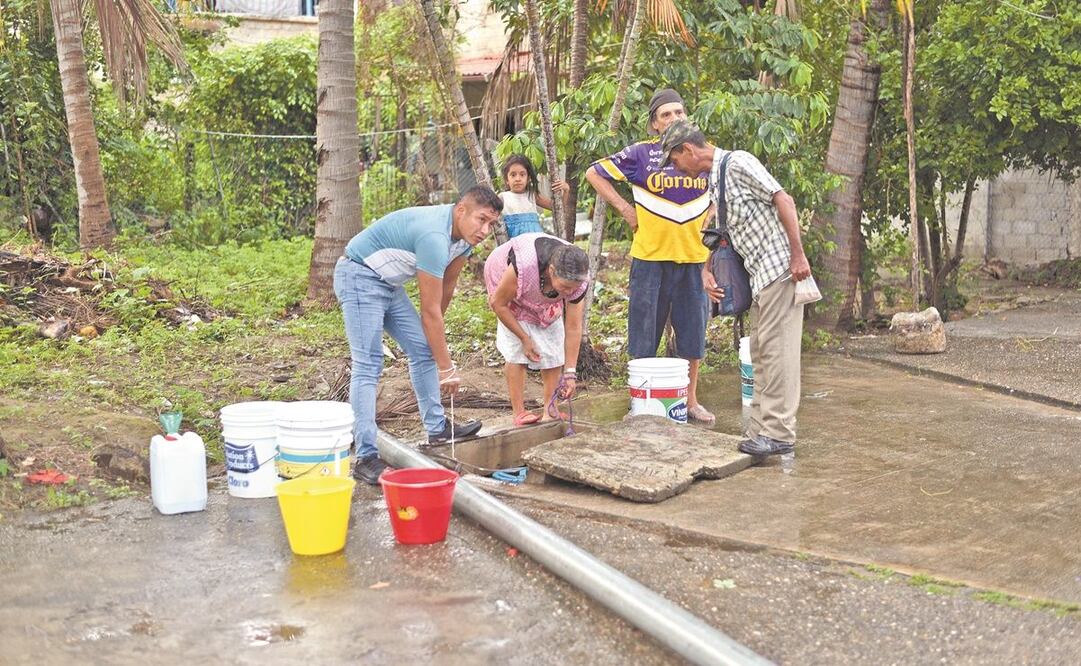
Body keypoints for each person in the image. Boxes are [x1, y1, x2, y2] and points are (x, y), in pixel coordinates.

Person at [658, 120, 811, 456]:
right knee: (761, 352)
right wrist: (707, 269)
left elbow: (783, 199)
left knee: (777, 353)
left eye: (674, 160)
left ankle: (780, 433)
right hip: (760, 275)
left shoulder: (738, 162)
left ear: (688, 149)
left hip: (780, 269)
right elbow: (721, 232)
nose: (675, 168)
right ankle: (761, 430)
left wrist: (798, 255)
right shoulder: (717, 179)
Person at [333, 186, 503, 484]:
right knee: (369, 364)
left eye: (492, 224)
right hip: (359, 275)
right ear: (460, 210)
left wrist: (436, 341)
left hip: (389, 285)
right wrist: (446, 367)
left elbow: (443, 294)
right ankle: (365, 457)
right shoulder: (434, 237)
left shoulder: (462, 241)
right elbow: (429, 311)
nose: (486, 230)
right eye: (482, 220)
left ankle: (437, 429)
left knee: (423, 350)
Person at [584, 88, 716, 424]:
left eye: (679, 112)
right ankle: (639, 402)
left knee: (693, 334)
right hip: (650, 259)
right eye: (666, 115)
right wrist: (626, 209)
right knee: (643, 334)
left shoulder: (702, 155)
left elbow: (726, 187)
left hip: (692, 259)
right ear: (654, 125)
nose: (674, 118)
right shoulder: (640, 155)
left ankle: (690, 401)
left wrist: (712, 214)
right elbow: (593, 173)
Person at [484, 233, 588, 425]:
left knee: (554, 348)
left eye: (573, 288)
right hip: (507, 290)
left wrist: (570, 373)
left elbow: (573, 327)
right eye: (565, 287)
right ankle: (519, 412)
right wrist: (524, 338)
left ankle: (551, 408)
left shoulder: (578, 281)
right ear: (552, 271)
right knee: (516, 352)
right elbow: (499, 304)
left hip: (543, 293)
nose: (569, 293)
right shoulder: (524, 265)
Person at [499, 154, 569, 238]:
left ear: (528, 178)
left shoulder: (532, 195)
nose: (518, 179)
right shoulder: (503, 198)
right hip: (514, 242)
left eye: (522, 174)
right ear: (507, 179)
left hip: (536, 240)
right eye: (513, 175)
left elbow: (556, 207)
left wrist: (566, 191)